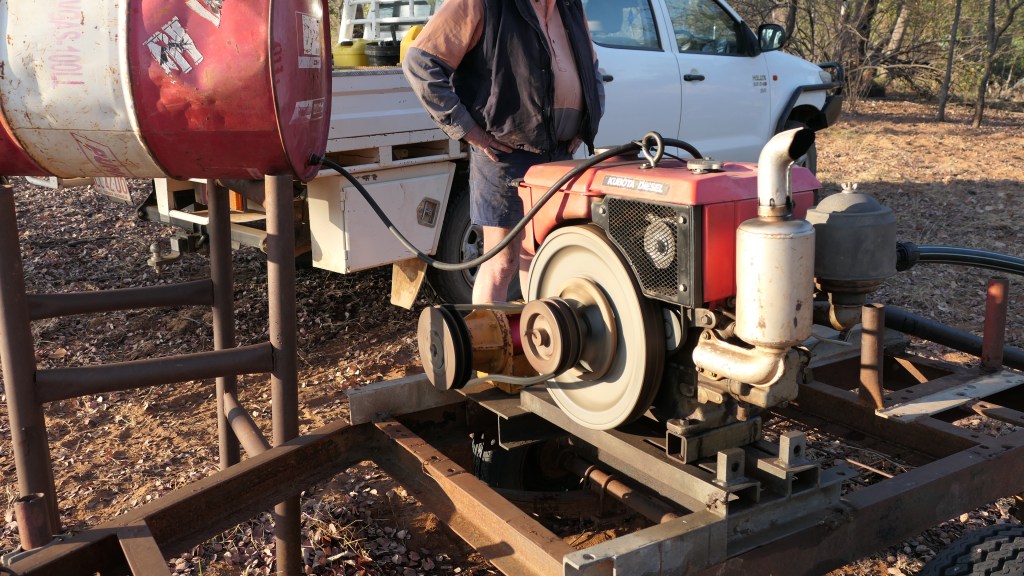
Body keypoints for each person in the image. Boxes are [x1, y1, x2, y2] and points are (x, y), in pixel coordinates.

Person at [402, 0, 604, 304]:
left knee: (545, 257)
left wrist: (585, 124)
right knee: (501, 263)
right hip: (506, 155)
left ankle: (538, 330)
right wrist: (467, 128)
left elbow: (592, 70)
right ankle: (487, 334)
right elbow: (420, 62)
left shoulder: (569, 5)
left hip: (559, 155)